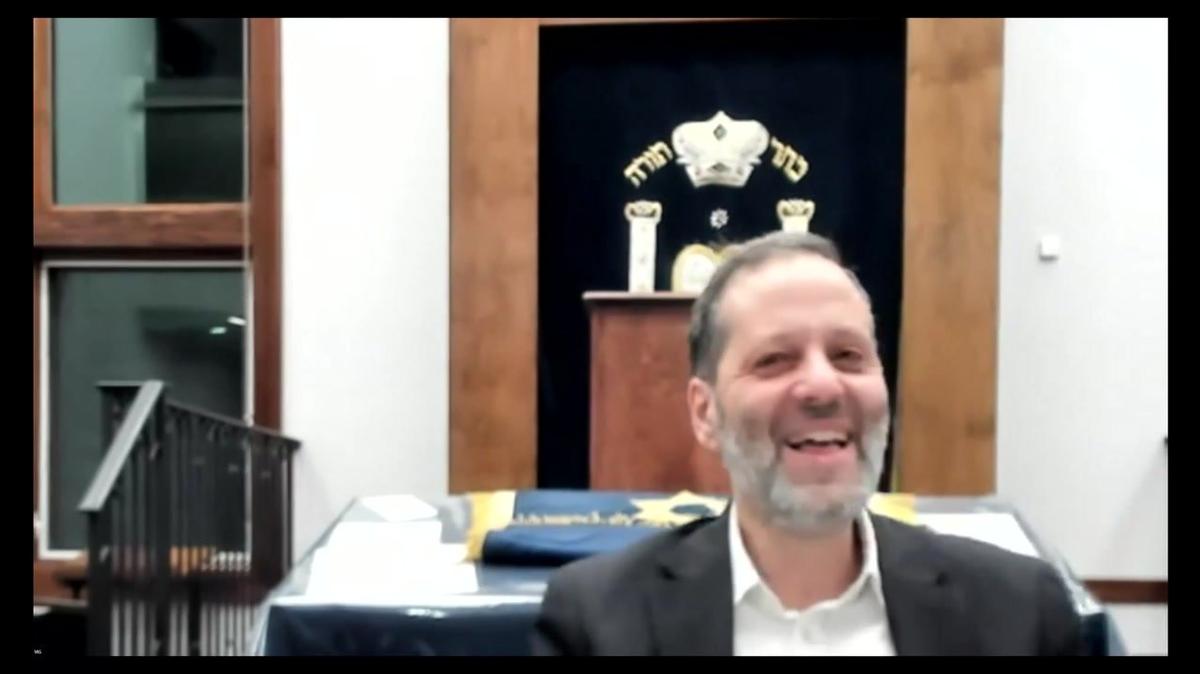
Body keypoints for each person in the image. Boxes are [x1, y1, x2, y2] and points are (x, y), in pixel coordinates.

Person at [531, 231, 1084, 656]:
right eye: (774, 360)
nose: (823, 386)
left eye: (848, 355)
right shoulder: (598, 623)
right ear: (705, 412)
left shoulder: (1021, 615)